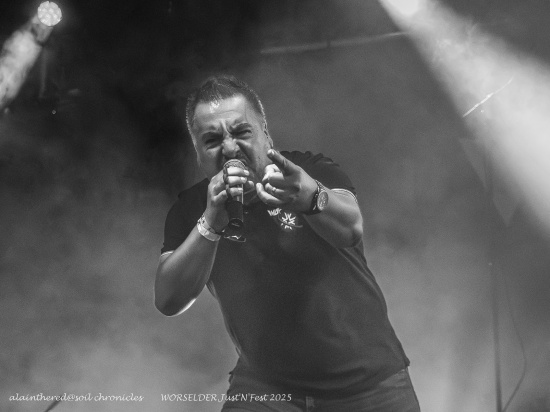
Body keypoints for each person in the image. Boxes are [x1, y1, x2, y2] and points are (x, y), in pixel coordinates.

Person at [155, 75, 420, 411]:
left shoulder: (310, 170)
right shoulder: (191, 208)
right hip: (267, 388)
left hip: (369, 385)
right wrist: (210, 224)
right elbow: (168, 300)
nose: (230, 148)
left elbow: (351, 227)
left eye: (241, 132)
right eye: (212, 140)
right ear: (198, 153)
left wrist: (310, 197)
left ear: (265, 134)